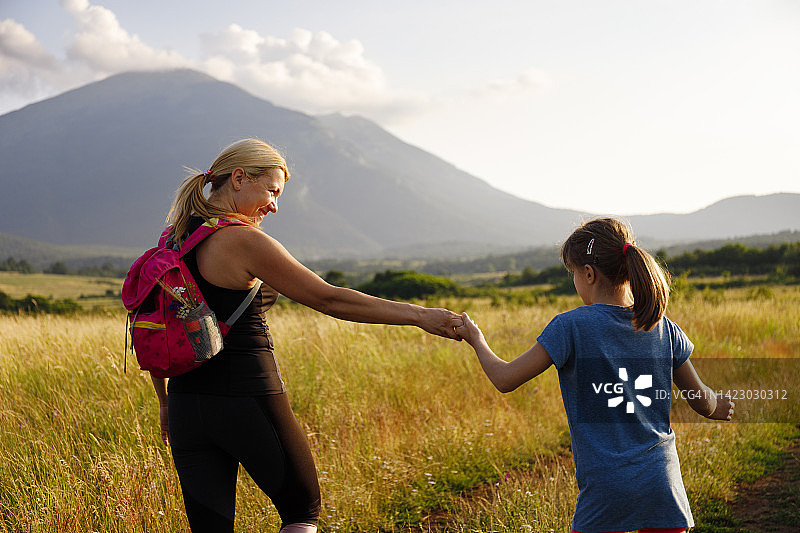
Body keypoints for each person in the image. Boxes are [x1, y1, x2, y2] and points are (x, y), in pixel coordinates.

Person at [149, 138, 464, 533]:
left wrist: (164, 404)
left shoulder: (171, 241)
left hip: (183, 406)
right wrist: (419, 315)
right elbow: (328, 299)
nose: (274, 206)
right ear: (240, 178)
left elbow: (160, 330)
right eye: (272, 191)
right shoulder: (242, 239)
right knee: (302, 512)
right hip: (247, 395)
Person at [455, 217, 734, 533]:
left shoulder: (569, 327)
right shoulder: (664, 327)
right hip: (661, 483)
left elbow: (505, 379)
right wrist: (719, 406)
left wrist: (475, 339)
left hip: (606, 488)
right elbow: (701, 400)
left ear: (588, 273)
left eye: (573, 273)